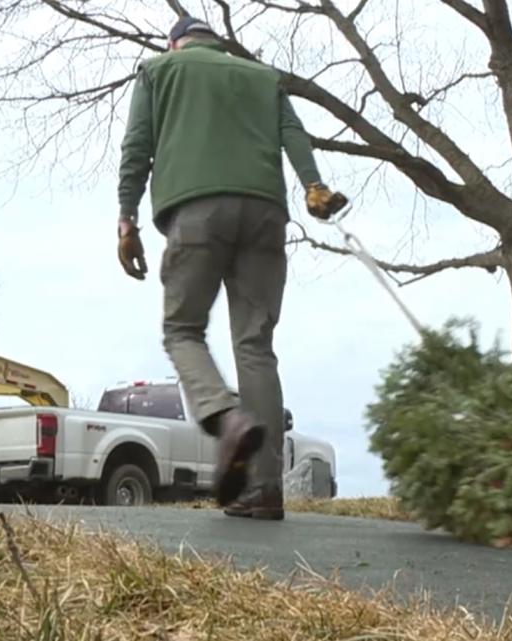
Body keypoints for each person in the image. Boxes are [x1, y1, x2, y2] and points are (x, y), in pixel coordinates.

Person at [114, 16, 348, 520]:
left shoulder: (159, 70)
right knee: (256, 345)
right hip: (265, 214)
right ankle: (264, 489)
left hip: (196, 211)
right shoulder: (263, 76)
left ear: (176, 43)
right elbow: (294, 134)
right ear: (217, 44)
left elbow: (137, 148)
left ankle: (224, 416)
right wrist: (314, 186)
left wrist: (126, 220)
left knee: (182, 329)